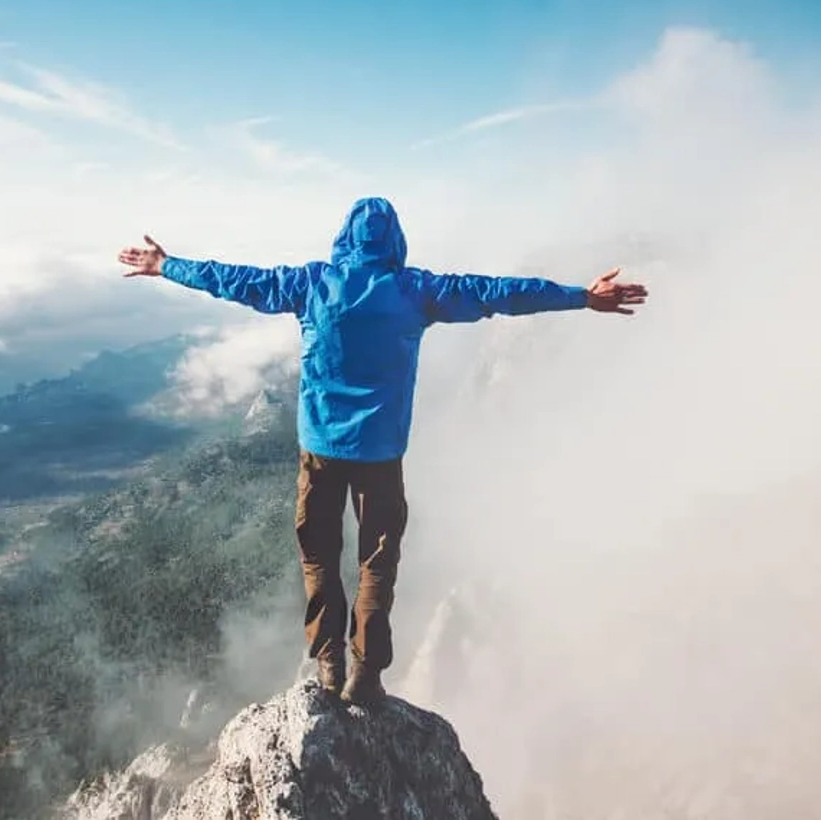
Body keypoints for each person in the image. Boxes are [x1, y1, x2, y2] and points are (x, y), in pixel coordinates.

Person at [118, 196, 647, 705]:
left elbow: (233, 279)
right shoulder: (416, 290)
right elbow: (499, 293)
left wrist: (166, 265)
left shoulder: (311, 284)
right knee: (377, 562)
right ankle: (366, 674)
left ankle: (329, 664)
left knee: (319, 554)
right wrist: (582, 297)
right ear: (396, 241)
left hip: (320, 449)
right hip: (381, 454)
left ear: (343, 237)